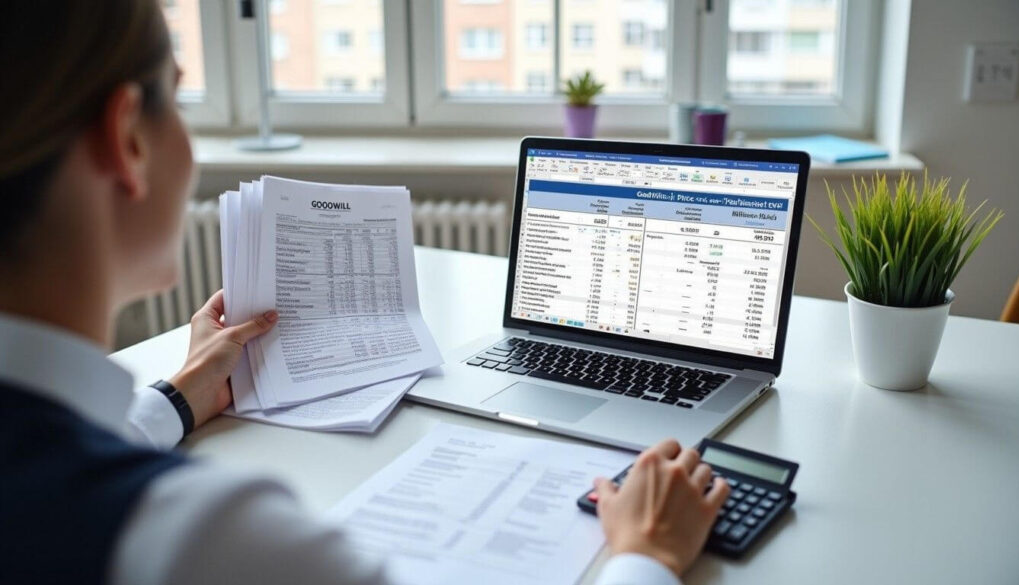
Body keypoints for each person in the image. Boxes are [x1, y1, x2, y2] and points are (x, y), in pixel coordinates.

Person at [0, 2, 730, 584]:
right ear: (127, 136)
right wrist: (646, 555)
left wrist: (179, 395)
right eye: (182, 100)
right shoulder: (202, 537)